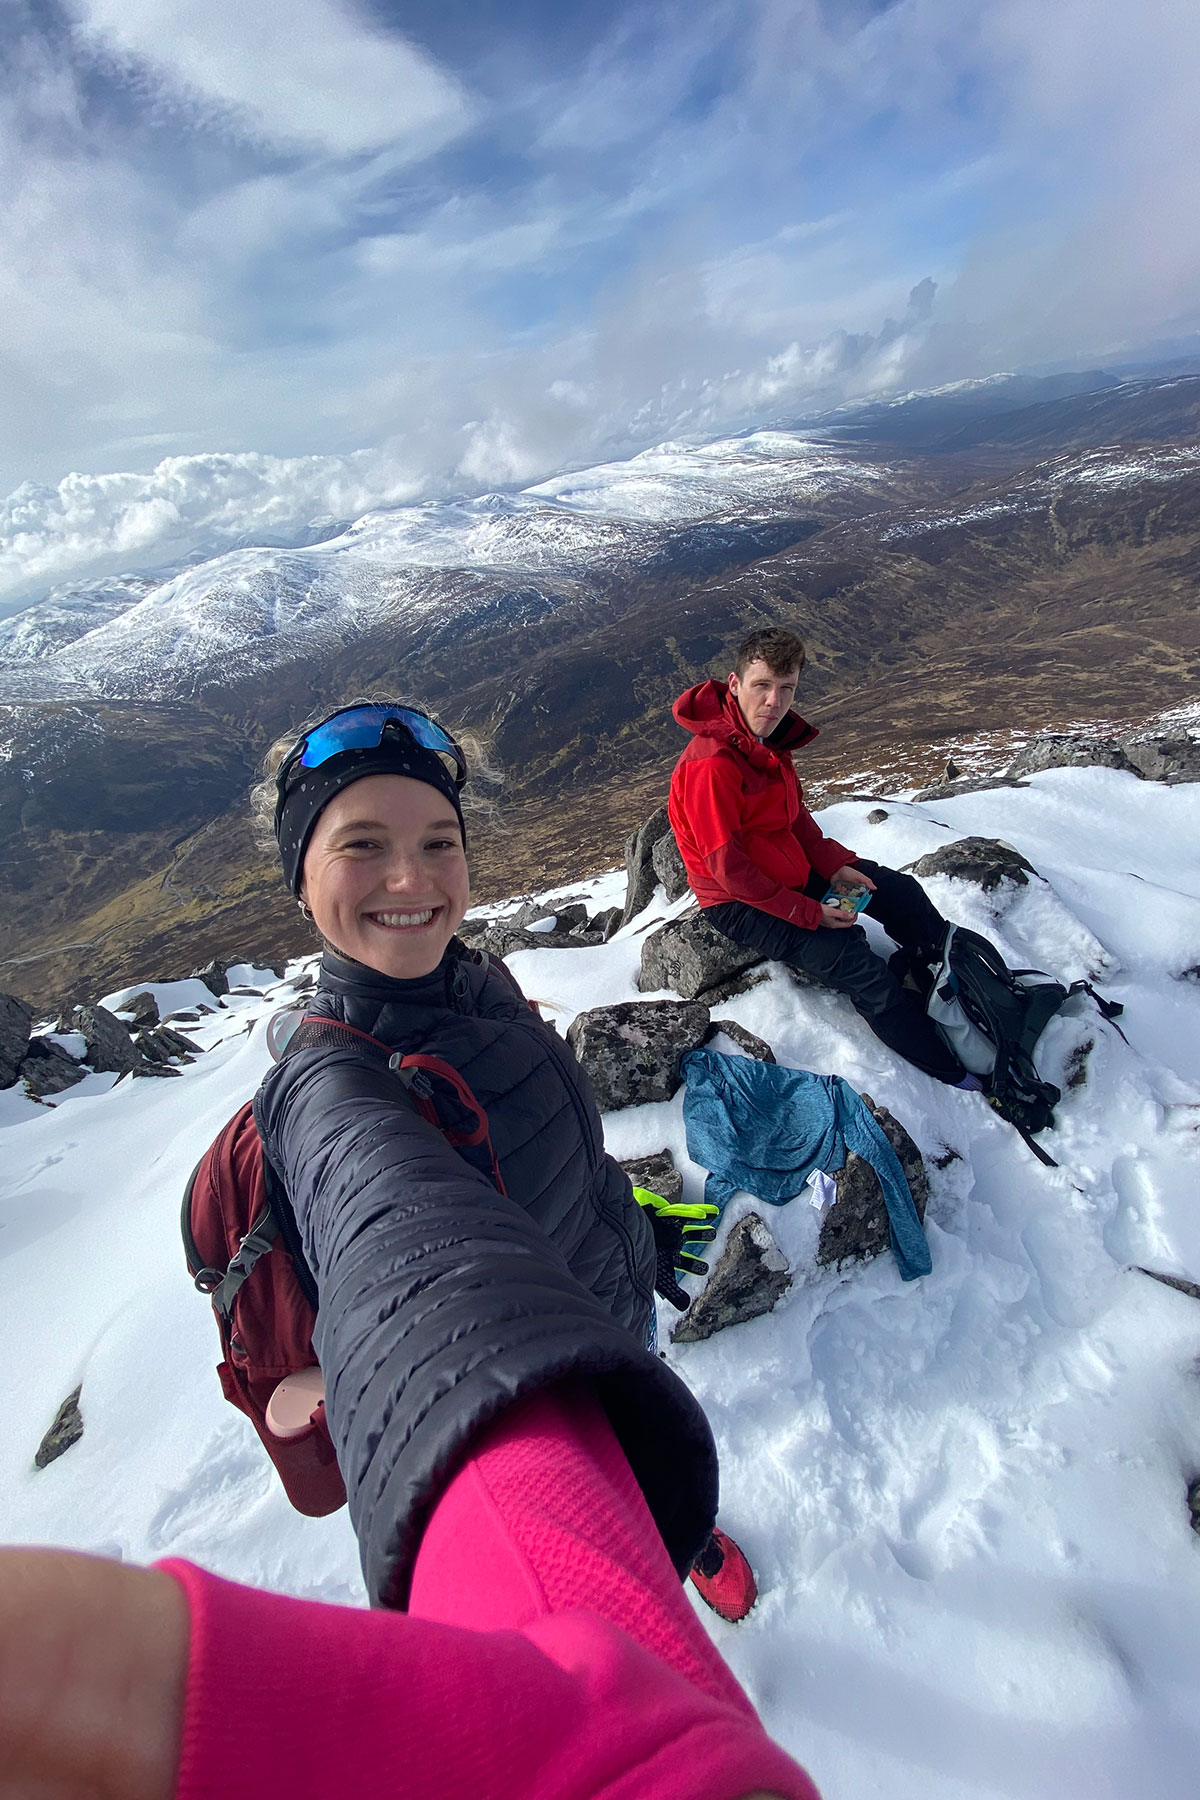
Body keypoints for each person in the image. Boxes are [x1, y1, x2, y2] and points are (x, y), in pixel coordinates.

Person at [0, 700, 819, 1800]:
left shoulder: (471, 983)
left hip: (608, 1293)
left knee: (646, 1434)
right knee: (604, 1484)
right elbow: (408, 1264)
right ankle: (647, 1578)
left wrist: (630, 1233)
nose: (411, 879)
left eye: (439, 844)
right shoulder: (331, 1089)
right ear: (302, 880)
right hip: (523, 1367)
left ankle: (679, 1535)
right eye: (363, 847)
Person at [669, 628, 973, 1086]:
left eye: (786, 688)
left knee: (900, 893)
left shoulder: (768, 743)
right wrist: (808, 912)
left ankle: (947, 980)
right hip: (740, 904)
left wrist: (832, 864)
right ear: (734, 684)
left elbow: (795, 821)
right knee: (864, 972)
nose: (774, 702)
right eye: (762, 685)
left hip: (791, 870)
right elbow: (729, 872)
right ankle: (956, 1072)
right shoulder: (712, 765)